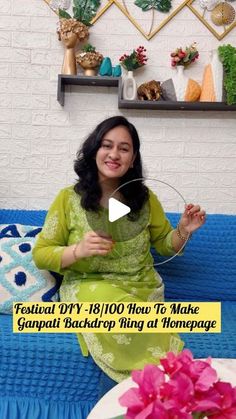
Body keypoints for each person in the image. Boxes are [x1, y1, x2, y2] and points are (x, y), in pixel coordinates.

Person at [33, 115, 206, 386]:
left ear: (133, 158)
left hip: (142, 287)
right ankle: (151, 390)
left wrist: (184, 229)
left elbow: (164, 243)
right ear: (94, 151)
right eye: (107, 146)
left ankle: (166, 395)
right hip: (91, 286)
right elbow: (41, 253)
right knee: (111, 308)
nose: (114, 154)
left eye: (124, 149)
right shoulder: (68, 198)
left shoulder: (145, 199)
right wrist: (77, 251)